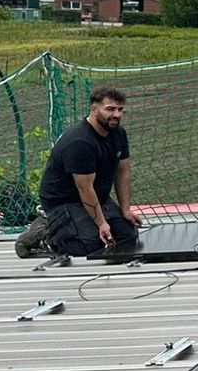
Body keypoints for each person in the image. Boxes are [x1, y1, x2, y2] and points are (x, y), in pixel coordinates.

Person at [16, 84, 142, 259]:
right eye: (110, 109)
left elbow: (123, 172)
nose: (117, 115)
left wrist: (125, 210)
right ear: (94, 109)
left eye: (120, 110)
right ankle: (45, 232)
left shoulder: (118, 134)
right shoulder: (80, 142)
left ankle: (74, 226)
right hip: (64, 201)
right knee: (91, 245)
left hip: (98, 197)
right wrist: (102, 223)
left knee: (128, 237)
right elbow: (85, 188)